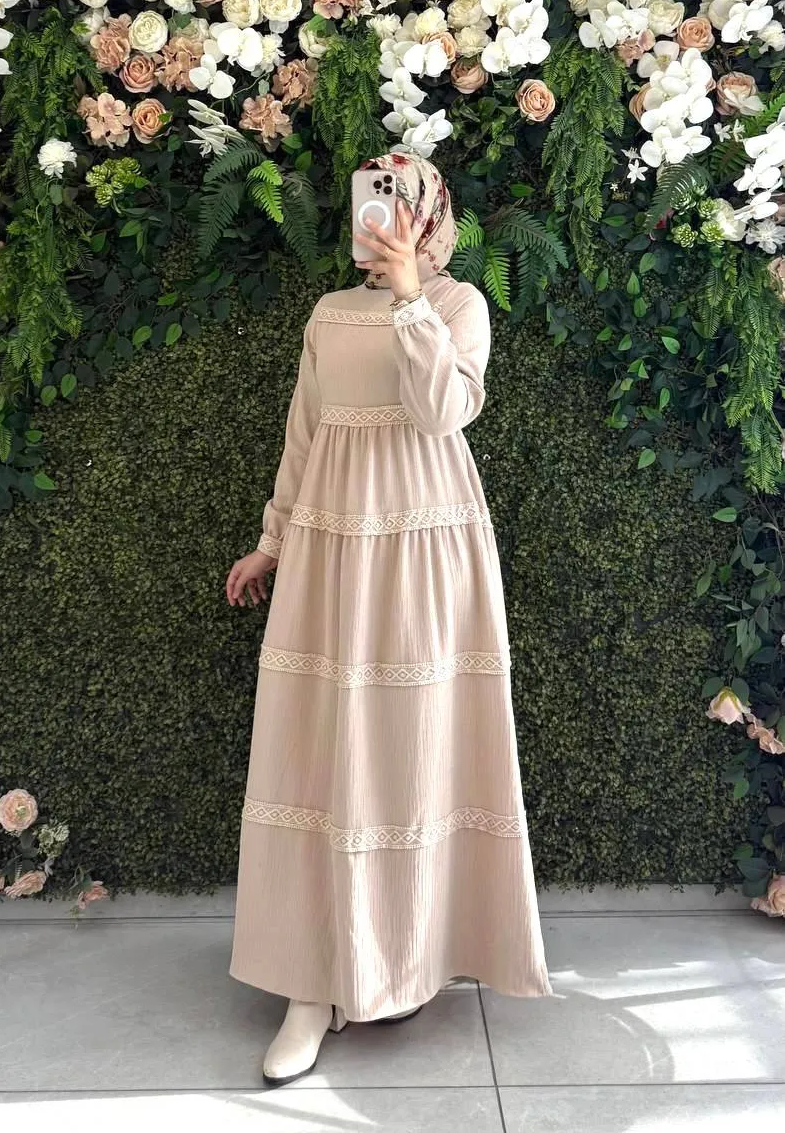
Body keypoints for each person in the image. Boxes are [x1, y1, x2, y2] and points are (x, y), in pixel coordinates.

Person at [225, 151, 554, 1087]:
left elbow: (444, 410)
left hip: (423, 547)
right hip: (331, 547)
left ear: (430, 215)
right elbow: (304, 432)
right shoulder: (328, 313)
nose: (380, 220)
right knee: (321, 749)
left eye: (399, 204)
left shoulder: (458, 306)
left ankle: (408, 955)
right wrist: (272, 541)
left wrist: (411, 297)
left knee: (414, 741)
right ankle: (312, 982)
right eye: (371, 203)